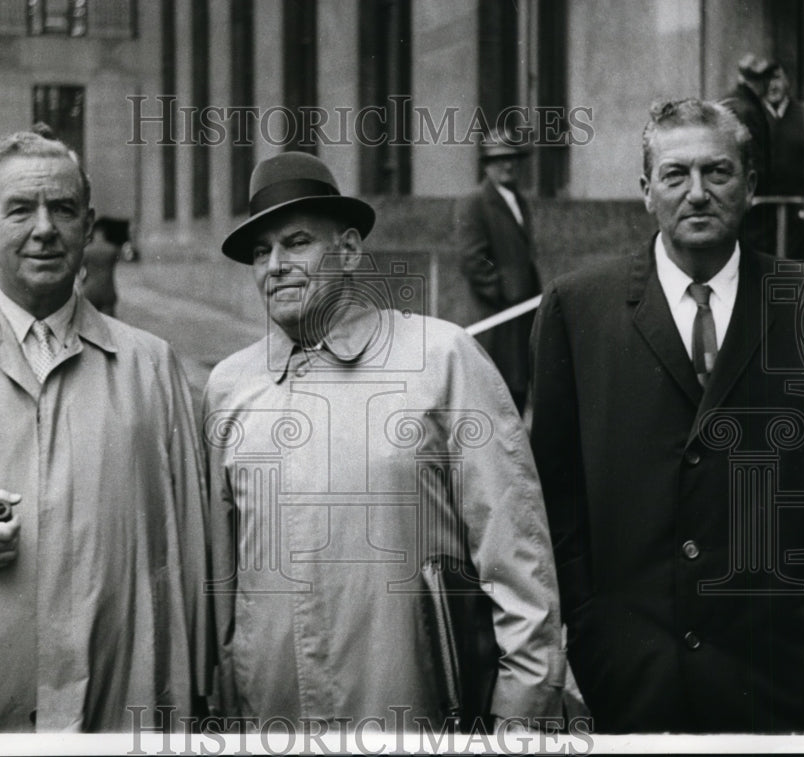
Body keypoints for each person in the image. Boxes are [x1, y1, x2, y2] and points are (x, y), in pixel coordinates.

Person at [203, 151, 565, 730]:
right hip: (272, 714)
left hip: (412, 710)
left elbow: (516, 550)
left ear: (348, 250)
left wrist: (520, 710)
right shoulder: (229, 386)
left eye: (296, 242)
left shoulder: (439, 358)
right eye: (259, 251)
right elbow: (223, 574)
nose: (275, 266)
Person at [0, 129, 211, 731]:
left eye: (62, 208)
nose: (44, 228)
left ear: (87, 223)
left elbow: (188, 549)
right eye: (20, 209)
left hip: (116, 711)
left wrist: (191, 702)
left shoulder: (152, 366)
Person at [530, 99, 804, 733]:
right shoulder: (578, 309)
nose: (698, 194)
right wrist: (592, 636)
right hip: (630, 678)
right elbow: (554, 497)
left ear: (752, 187)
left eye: (718, 172)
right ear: (645, 191)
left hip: (776, 683)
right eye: (675, 175)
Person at [456, 130, 541, 413]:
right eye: (499, 159)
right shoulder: (475, 202)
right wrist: (506, 291)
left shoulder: (519, 200)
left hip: (520, 319)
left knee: (518, 392)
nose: (508, 165)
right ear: (486, 164)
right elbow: (473, 260)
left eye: (513, 159)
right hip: (495, 319)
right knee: (493, 395)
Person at [721, 53, 776, 251]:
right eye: (764, 79)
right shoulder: (747, 109)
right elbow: (755, 162)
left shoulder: (730, 101)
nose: (768, 84)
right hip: (750, 207)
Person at [764, 63, 804, 262]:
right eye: (767, 80)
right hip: (762, 212)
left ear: (788, 81)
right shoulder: (755, 114)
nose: (772, 85)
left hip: (797, 209)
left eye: (777, 78)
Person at [80, 216, 123, 316]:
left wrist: (83, 281)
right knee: (109, 324)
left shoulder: (87, 250)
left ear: (94, 234)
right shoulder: (112, 249)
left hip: (90, 290)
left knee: (89, 322)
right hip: (108, 290)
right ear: (104, 234)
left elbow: (80, 270)